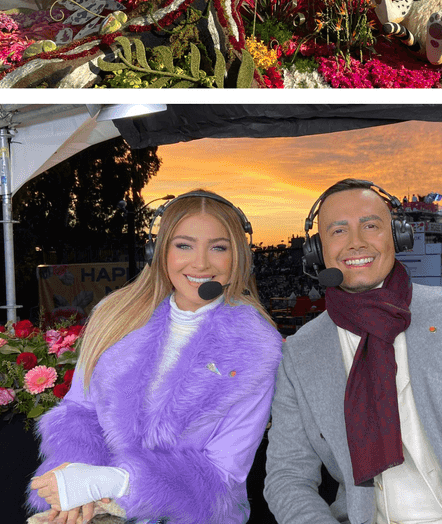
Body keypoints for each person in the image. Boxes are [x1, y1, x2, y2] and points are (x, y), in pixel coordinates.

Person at [263, 179, 442, 524]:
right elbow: (287, 478)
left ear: (397, 236)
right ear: (317, 250)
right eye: (338, 231)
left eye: (371, 226)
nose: (356, 242)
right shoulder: (301, 353)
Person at [28, 191, 282, 524]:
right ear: (158, 252)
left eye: (218, 247)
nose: (201, 263)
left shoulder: (258, 348)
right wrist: (79, 494)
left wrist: (113, 483)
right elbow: (79, 414)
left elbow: (223, 474)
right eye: (184, 245)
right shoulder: (114, 316)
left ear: (239, 258)